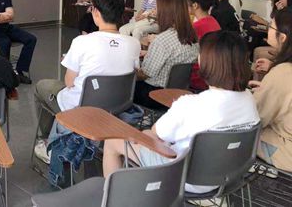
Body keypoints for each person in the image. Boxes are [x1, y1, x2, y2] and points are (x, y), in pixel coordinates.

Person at [104, 31, 259, 194]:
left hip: (185, 177)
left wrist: (146, 134)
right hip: (229, 175)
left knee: (114, 141)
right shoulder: (249, 100)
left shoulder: (190, 104)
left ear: (204, 62)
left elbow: (157, 134)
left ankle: (115, 198)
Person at [35, 0, 140, 137]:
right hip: (118, 105)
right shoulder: (134, 43)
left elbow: (69, 82)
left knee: (41, 87)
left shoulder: (82, 42)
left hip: (82, 108)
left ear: (95, 11)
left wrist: (73, 63)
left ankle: (47, 139)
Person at [134, 0, 199, 109]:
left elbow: (146, 74)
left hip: (154, 94)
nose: (154, 11)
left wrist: (131, 71)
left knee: (123, 86)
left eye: (157, 8)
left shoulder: (162, 40)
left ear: (165, 12)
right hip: (179, 93)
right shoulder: (192, 37)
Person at [251, 8, 292, 171]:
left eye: (271, 27)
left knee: (237, 135)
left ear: (282, 38)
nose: (268, 29)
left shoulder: (283, 72)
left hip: (287, 151)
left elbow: (256, 117)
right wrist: (267, 89)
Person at [185, 0, 221, 91]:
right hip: (212, 74)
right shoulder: (213, 20)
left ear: (195, 5)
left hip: (198, 77)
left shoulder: (197, 27)